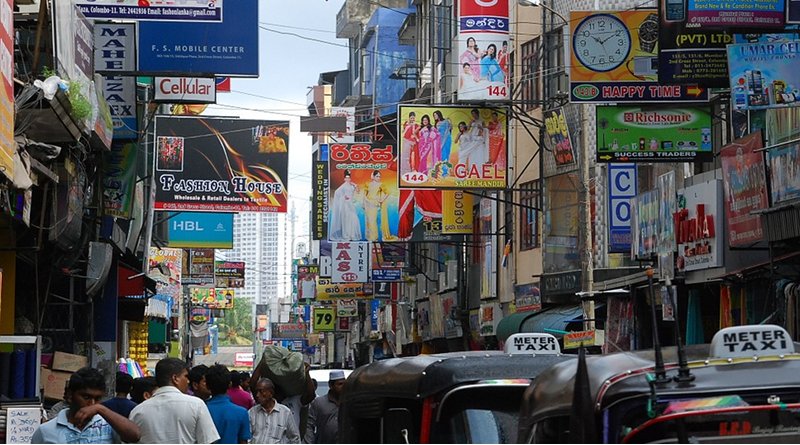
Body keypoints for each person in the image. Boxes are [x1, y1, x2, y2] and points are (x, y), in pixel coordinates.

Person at [31, 367, 141, 444]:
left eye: (97, 399)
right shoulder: (46, 431)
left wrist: (101, 409)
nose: (92, 404)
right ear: (70, 395)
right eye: (86, 397)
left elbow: (135, 435)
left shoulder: (108, 425)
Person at [129, 358, 220, 444]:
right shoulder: (196, 405)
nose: (188, 381)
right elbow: (208, 441)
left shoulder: (138, 411)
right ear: (175, 378)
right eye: (186, 376)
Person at [205, 365, 252, 444]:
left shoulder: (201, 410)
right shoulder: (242, 413)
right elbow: (243, 441)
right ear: (230, 384)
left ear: (207, 386)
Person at [249, 378, 301, 444]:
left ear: (271, 393)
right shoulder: (252, 412)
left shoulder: (285, 413)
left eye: (261, 391)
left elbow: (295, 438)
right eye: (257, 392)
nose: (257, 395)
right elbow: (247, 436)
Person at [304, 370, 346, 444]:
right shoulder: (319, 403)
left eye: (344, 384)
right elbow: (309, 425)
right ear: (331, 385)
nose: (343, 387)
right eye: (340, 384)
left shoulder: (349, 402)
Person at [329, 170, 362, 241]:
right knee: (346, 220)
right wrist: (343, 197)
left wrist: (355, 185)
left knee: (353, 218)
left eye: (349, 178)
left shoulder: (352, 186)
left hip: (351, 204)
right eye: (346, 178)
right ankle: (346, 235)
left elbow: (358, 191)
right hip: (345, 205)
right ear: (344, 179)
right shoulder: (343, 186)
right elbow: (337, 192)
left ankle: (352, 235)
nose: (348, 179)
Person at [363, 170, 395, 242]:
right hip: (367, 203)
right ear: (373, 177)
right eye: (377, 176)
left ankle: (374, 237)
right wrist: (364, 203)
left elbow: (387, 193)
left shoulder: (381, 184)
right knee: (367, 221)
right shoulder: (367, 184)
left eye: (379, 176)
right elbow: (365, 194)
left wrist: (381, 200)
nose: (378, 178)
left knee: (372, 221)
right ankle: (368, 237)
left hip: (374, 204)